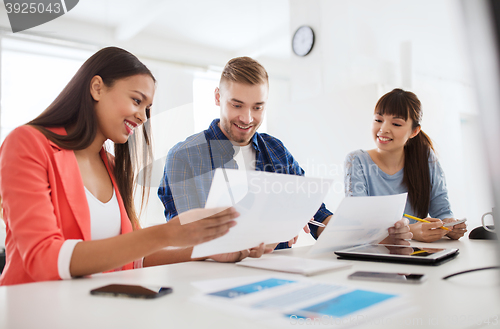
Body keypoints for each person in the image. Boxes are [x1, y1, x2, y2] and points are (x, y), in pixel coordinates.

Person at [0, 47, 240, 286]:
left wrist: (208, 250)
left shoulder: (113, 166)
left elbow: (135, 258)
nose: (144, 117)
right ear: (97, 88)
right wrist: (164, 233)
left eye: (147, 108)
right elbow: (43, 257)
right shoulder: (27, 143)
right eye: (137, 100)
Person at [158, 57, 411, 249]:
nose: (247, 118)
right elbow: (181, 241)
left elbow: (318, 216)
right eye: (237, 105)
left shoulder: (275, 150)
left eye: (258, 107)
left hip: (274, 278)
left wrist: (376, 235)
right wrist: (262, 233)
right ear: (217, 97)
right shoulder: (185, 157)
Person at [344, 88, 467, 242]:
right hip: (377, 255)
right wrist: (411, 231)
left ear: (414, 131)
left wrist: (449, 226)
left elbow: (442, 211)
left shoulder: (426, 158)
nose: (383, 129)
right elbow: (359, 224)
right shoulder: (357, 161)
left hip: (420, 253)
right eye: (378, 120)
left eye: (396, 124)